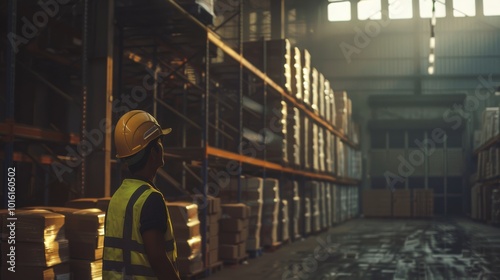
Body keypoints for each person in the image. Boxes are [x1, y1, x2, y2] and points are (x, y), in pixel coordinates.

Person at [103, 110, 180, 280]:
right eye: (159, 143)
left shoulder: (117, 197)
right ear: (154, 151)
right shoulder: (150, 199)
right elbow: (158, 258)